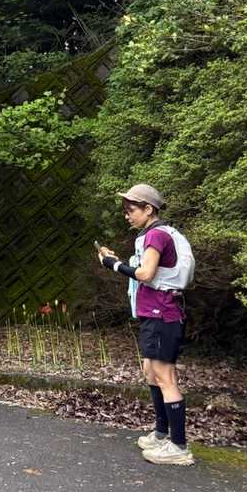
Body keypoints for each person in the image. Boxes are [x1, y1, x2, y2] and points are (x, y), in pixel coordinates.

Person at [98, 183, 195, 466]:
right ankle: (162, 433)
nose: (127, 215)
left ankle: (179, 447)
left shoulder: (156, 235)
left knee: (165, 376)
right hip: (156, 313)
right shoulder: (156, 234)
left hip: (163, 313)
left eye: (131, 209)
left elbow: (145, 273)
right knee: (151, 372)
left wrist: (113, 265)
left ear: (148, 209)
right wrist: (116, 260)